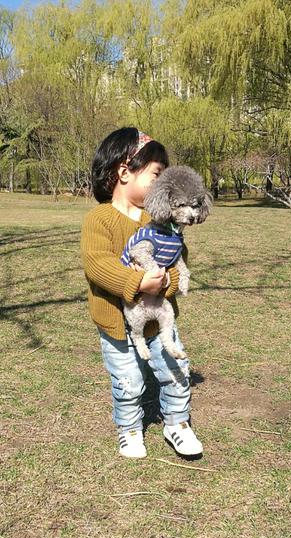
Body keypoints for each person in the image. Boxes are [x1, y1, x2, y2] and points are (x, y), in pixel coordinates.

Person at [80, 127, 203, 459]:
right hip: (116, 323)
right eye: (156, 175)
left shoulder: (161, 220)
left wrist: (166, 283)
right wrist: (136, 283)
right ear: (124, 171)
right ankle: (130, 429)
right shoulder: (99, 220)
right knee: (128, 380)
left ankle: (177, 423)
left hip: (159, 317)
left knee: (177, 370)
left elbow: (179, 260)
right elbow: (97, 264)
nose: (162, 184)